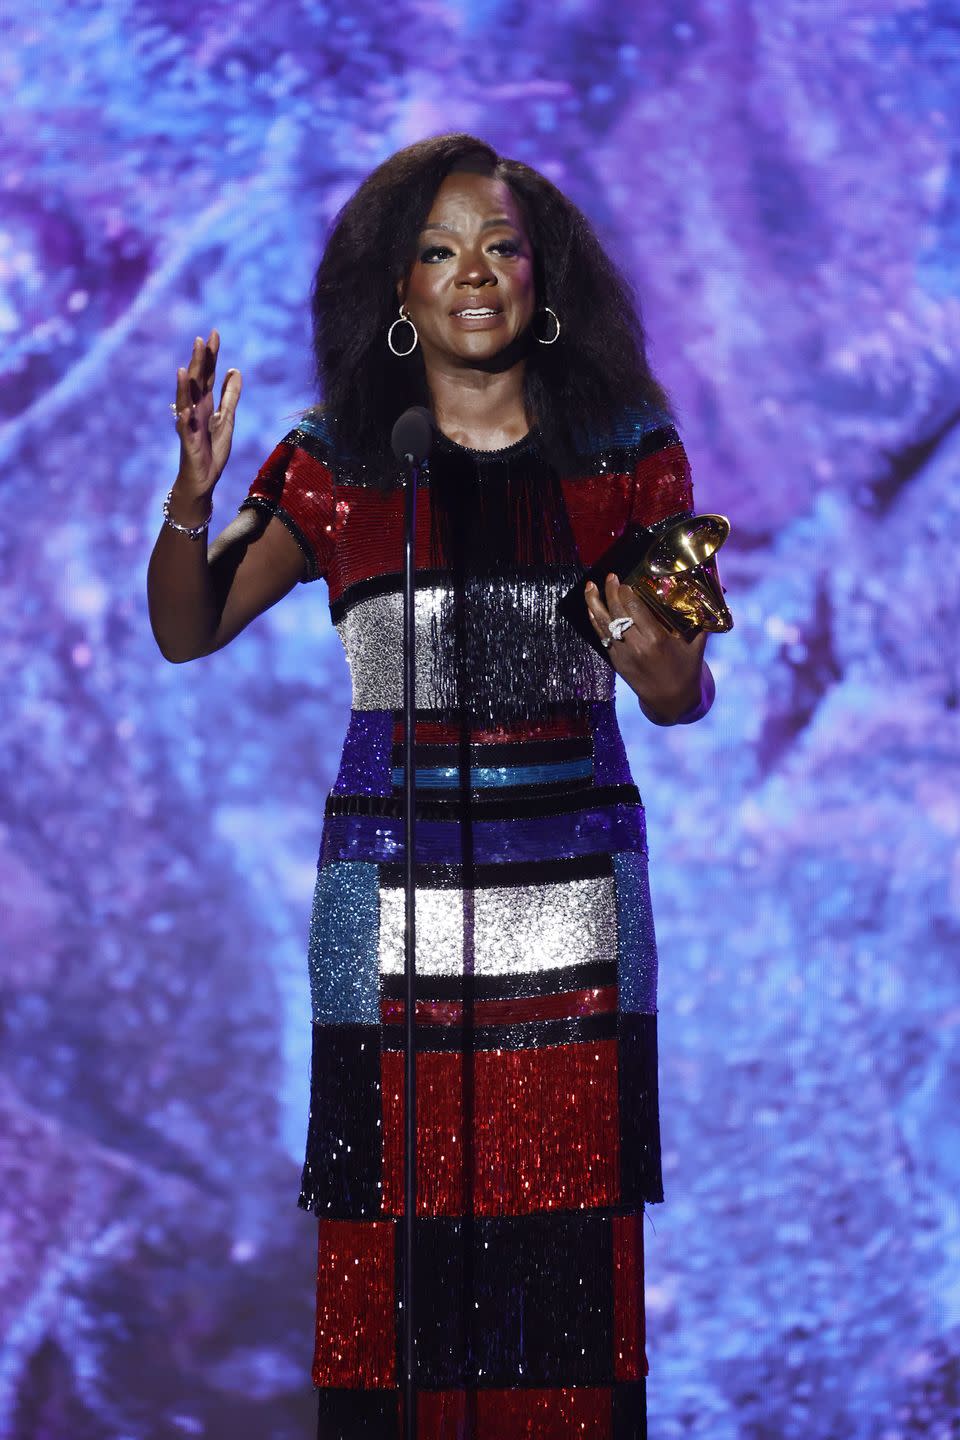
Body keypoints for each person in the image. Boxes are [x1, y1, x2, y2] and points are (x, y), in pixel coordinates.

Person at [148, 133, 716, 1440]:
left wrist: (646, 651)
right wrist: (192, 500)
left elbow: (684, 692)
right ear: (395, 291)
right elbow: (189, 628)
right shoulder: (339, 460)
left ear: (545, 275)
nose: (476, 273)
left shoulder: (630, 455)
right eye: (440, 250)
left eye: (502, 246)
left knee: (559, 1262)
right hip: (387, 917)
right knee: (393, 1259)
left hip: (571, 916)